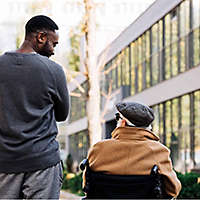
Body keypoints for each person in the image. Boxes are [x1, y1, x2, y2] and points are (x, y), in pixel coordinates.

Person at [0, 15, 70, 199]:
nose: (54, 51)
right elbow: (62, 115)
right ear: (40, 37)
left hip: (4, 163)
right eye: (53, 44)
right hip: (42, 163)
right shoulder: (53, 71)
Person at [83, 102, 181, 198]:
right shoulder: (159, 151)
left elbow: (86, 186)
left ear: (123, 122)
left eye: (118, 117)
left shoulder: (98, 149)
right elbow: (173, 190)